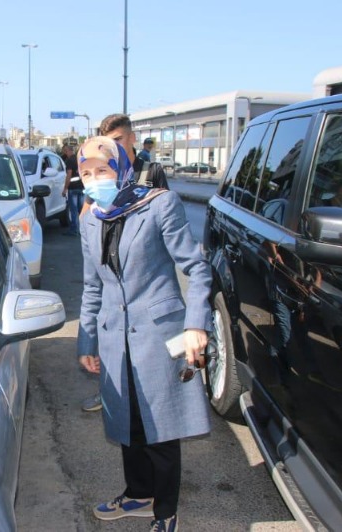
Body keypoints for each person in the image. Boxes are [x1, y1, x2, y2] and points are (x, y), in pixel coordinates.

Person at [76, 136, 212, 532]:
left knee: (162, 428)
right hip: (114, 336)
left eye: (102, 170)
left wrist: (196, 323)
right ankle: (138, 492)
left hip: (160, 332)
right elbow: (92, 286)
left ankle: (166, 510)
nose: (94, 179)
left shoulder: (157, 205)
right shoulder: (90, 219)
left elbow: (198, 269)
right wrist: (87, 340)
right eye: (86, 173)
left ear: (120, 168)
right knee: (126, 421)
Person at [80, 113, 169, 412]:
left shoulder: (150, 171)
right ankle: (110, 391)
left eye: (116, 140)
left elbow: (161, 217)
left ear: (130, 138)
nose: (110, 145)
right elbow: (92, 204)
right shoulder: (102, 172)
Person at [61, 144, 84, 236]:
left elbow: (69, 175)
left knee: (73, 210)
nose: (64, 154)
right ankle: (83, 230)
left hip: (73, 188)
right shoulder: (79, 159)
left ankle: (74, 230)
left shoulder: (69, 161)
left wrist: (65, 188)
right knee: (81, 210)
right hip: (82, 187)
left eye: (64, 151)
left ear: (67, 151)